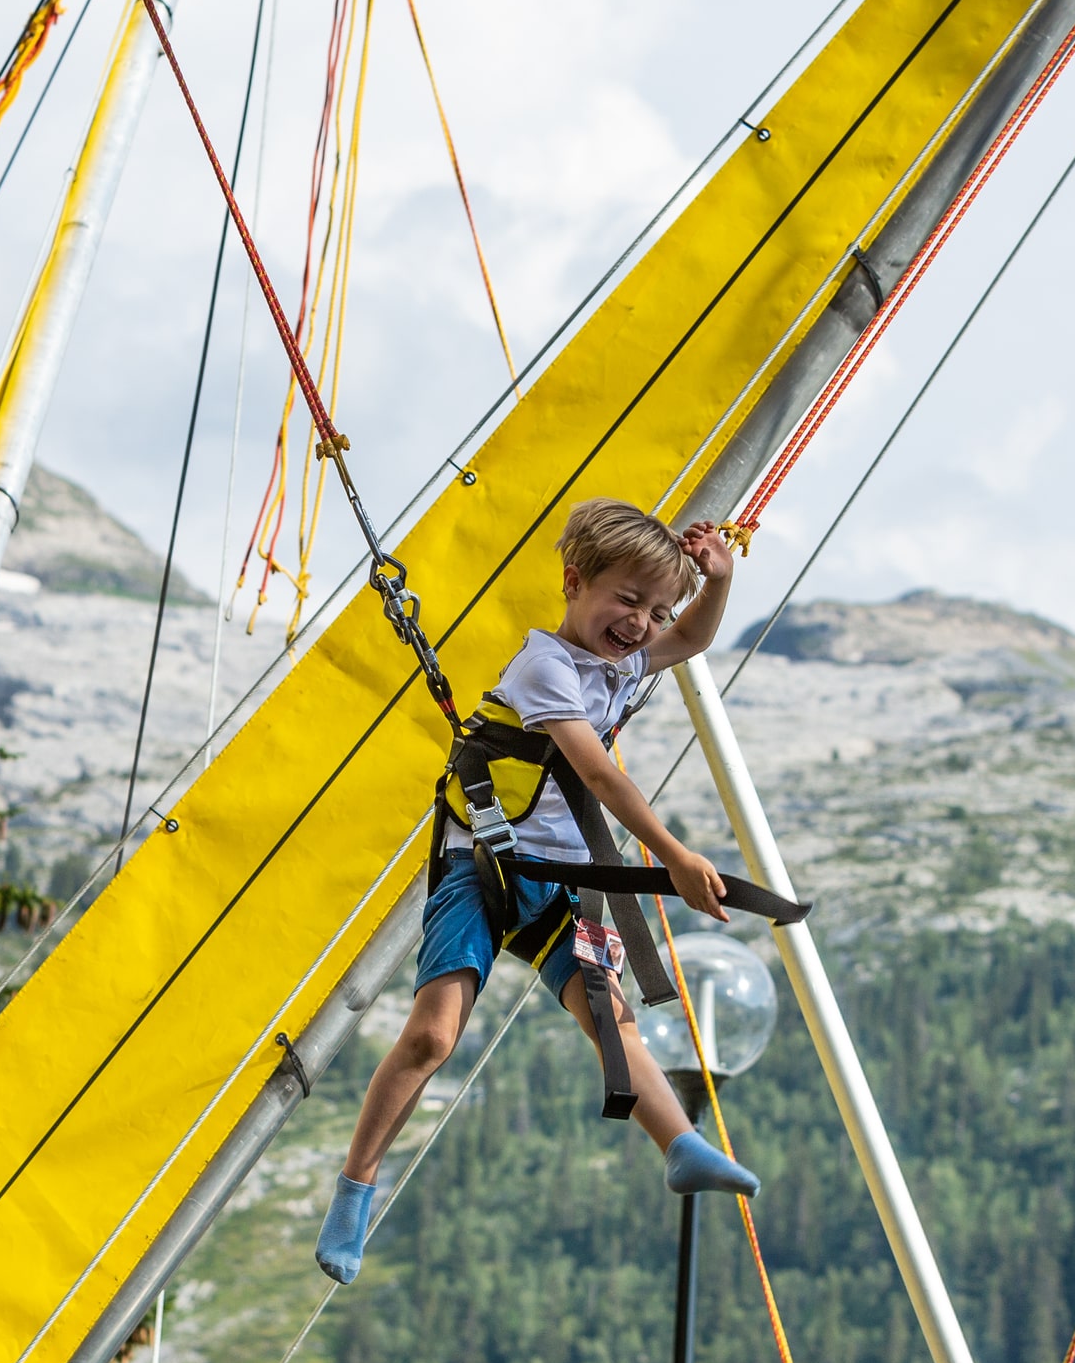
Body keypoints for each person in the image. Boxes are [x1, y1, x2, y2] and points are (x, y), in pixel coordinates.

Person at [317, 499, 755, 1284]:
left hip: (558, 880)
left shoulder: (622, 663)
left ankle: (680, 1147)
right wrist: (675, 856)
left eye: (654, 608)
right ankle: (354, 1190)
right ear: (574, 580)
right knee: (431, 1036)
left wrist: (713, 581)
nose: (641, 623)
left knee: (610, 1016)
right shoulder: (545, 668)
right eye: (626, 599)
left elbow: (692, 637)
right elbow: (595, 771)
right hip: (483, 868)